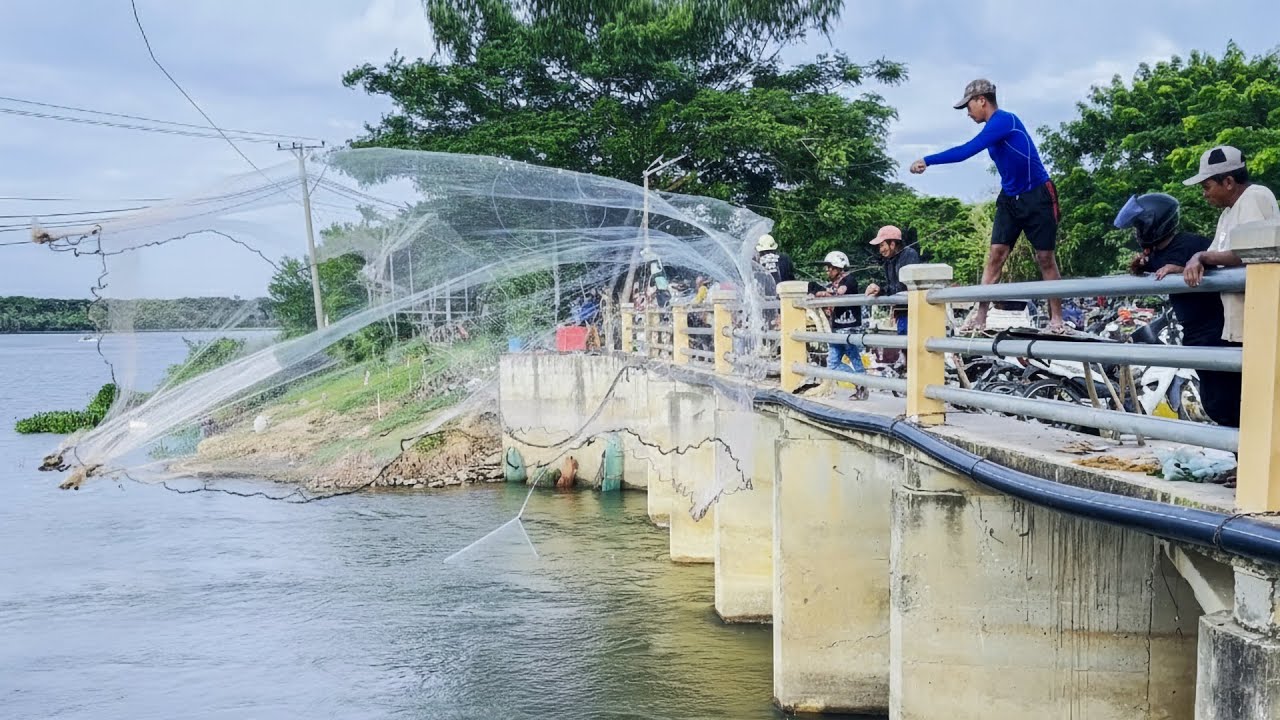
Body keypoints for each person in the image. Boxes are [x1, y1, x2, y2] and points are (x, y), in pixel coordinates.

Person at [909, 78, 1065, 332]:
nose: (968, 113)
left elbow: (966, 151)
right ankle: (981, 316)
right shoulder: (993, 128)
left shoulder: (1004, 120)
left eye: (968, 106)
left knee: (1045, 257)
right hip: (1009, 197)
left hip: (1037, 194)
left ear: (982, 100)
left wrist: (928, 160)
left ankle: (1057, 319)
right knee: (995, 256)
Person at [1117, 192, 1238, 427]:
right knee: (1215, 403)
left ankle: (1247, 456)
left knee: (1224, 402)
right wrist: (1139, 267)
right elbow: (1151, 267)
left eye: (1139, 226)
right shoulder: (1156, 253)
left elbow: (1220, 265)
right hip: (1193, 334)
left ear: (1154, 224)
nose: (1137, 232)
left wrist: (1186, 267)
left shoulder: (1194, 245)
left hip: (1216, 332)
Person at [1182, 146, 1280, 349]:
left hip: (1260, 319)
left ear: (1228, 182)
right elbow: (1216, 256)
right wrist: (1184, 267)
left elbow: (1253, 251)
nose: (1204, 194)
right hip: (1242, 320)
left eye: (1207, 186)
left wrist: (1201, 257)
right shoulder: (1227, 213)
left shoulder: (1255, 196)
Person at [812, 250, 868, 400]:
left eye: (830, 267)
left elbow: (839, 293)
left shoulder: (849, 280)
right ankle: (860, 383)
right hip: (837, 328)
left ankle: (861, 384)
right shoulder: (833, 284)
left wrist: (824, 293)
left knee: (851, 358)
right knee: (834, 364)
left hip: (849, 327)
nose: (827, 270)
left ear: (838, 267)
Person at [865, 225, 920, 336]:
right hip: (901, 313)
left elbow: (908, 285)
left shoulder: (909, 255)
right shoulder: (888, 262)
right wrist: (879, 290)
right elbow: (891, 288)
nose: (880, 250)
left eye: (882, 245)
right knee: (904, 347)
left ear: (893, 244)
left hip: (915, 312)